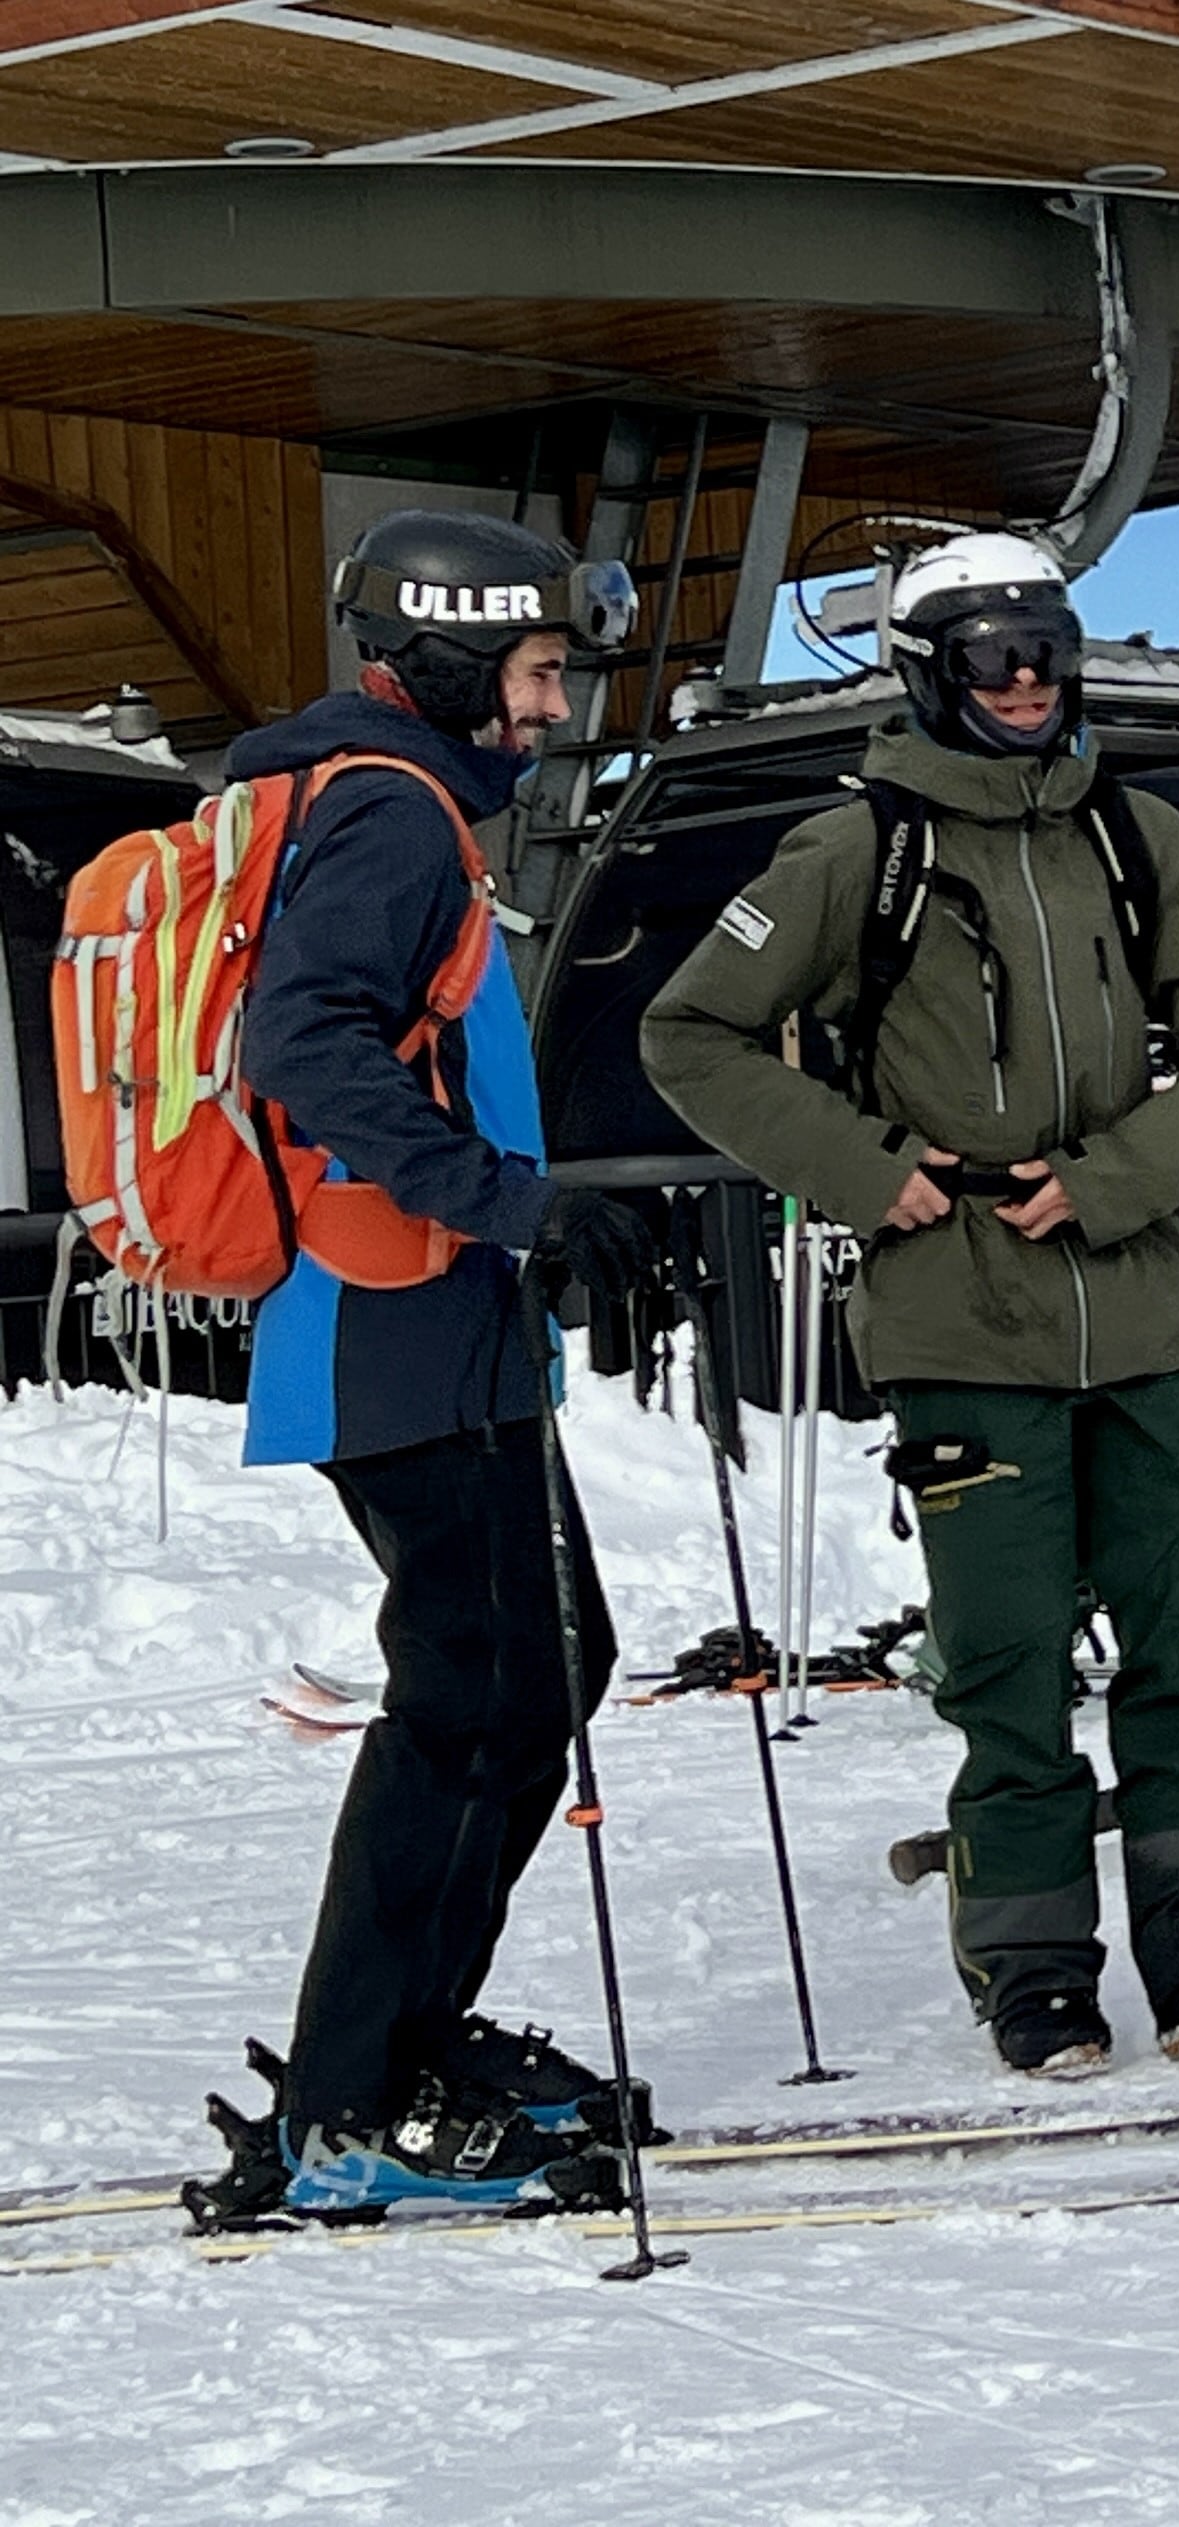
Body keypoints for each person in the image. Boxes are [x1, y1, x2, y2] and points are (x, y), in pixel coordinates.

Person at [644, 531, 1179, 2079]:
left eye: (1048, 649)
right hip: (961, 1322)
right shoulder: (851, 854)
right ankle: (1031, 1965)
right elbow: (693, 1034)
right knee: (1008, 1659)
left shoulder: (1139, 839)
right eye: (992, 655)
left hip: (1137, 1309)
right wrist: (871, 1170)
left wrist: (1121, 1176)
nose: (1027, 680)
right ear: (930, 673)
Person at [205, 509, 665, 2217]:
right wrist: (512, 1208)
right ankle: (352, 2102)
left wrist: (529, 1217)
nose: (553, 710)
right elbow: (307, 1044)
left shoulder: (399, 808)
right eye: (542, 673)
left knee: (532, 1671)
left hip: (429, 1312)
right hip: (390, 1314)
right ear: (465, 663)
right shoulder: (392, 817)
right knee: (481, 1697)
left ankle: (395, 2049)